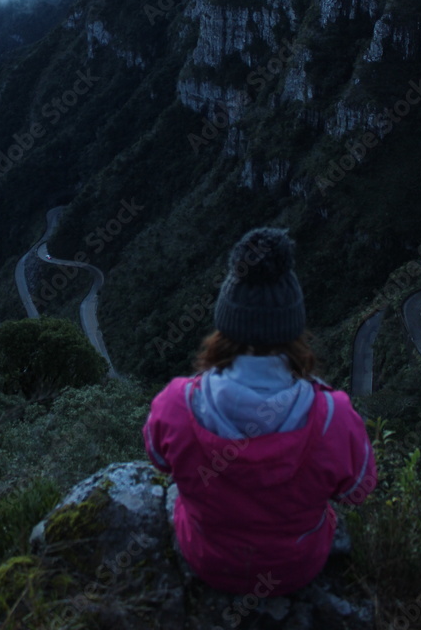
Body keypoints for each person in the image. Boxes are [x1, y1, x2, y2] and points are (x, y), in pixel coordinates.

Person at [142, 226, 377, 596]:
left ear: (224, 326)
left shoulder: (175, 405)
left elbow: (159, 459)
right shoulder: (335, 417)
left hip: (207, 560)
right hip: (295, 568)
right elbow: (357, 491)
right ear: (295, 330)